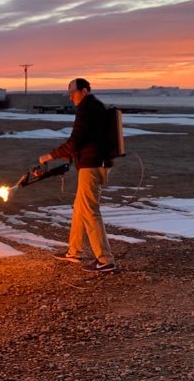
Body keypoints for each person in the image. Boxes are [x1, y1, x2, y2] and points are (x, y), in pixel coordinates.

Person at [39, 78, 116, 272]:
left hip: (91, 166)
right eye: (70, 93)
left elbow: (76, 141)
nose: (71, 97)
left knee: (89, 210)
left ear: (84, 91)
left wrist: (51, 155)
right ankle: (74, 251)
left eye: (73, 93)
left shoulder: (86, 108)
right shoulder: (95, 107)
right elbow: (84, 140)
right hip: (95, 163)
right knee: (80, 209)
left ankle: (105, 260)